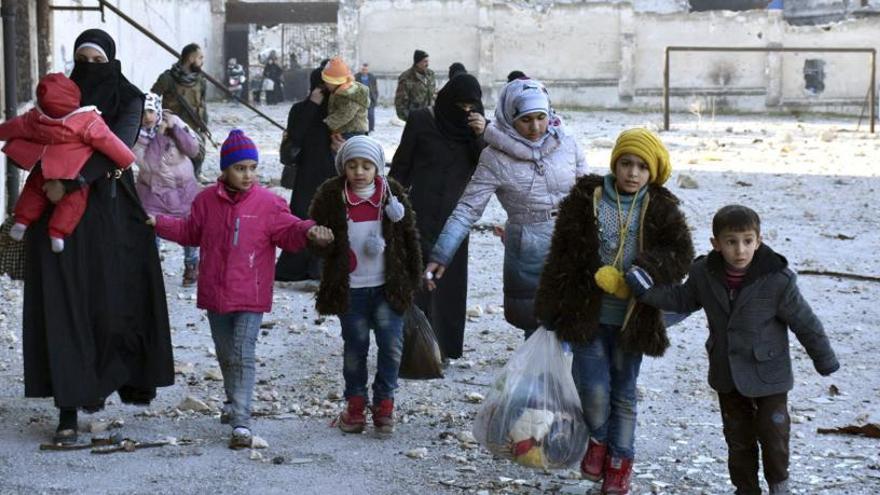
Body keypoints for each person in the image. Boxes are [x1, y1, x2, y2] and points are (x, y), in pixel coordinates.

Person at [21, 28, 173, 445]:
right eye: (82, 60)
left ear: (112, 61)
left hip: (109, 214)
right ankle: (67, 409)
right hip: (56, 217)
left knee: (109, 306)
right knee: (62, 306)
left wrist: (69, 184)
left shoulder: (128, 97)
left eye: (98, 62)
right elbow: (40, 136)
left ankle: (102, 386)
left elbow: (117, 150)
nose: (89, 69)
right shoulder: (60, 93)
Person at [626, 204, 839, 495]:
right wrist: (645, 292)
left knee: (774, 435)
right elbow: (682, 299)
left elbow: (805, 322)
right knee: (738, 439)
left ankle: (780, 486)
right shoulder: (704, 273)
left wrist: (824, 359)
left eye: (748, 241)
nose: (740, 250)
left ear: (758, 240)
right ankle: (746, 489)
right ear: (716, 244)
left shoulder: (777, 279)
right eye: (731, 242)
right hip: (727, 372)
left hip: (770, 375)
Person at [149, 129, 334, 449]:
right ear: (225, 170)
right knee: (225, 353)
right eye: (240, 168)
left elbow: (290, 230)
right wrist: (158, 223)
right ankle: (233, 400)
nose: (247, 175)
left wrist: (310, 232)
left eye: (252, 167)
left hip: (252, 293)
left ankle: (242, 421)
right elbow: (191, 231)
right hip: (215, 294)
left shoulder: (269, 203)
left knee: (241, 352)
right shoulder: (206, 200)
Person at [533, 128, 695, 494]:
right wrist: (549, 308)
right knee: (590, 387)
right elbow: (562, 254)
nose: (632, 173)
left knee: (623, 391)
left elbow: (680, 254)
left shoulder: (661, 206)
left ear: (652, 171)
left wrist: (646, 269)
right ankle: (599, 440)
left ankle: (621, 460)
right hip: (587, 314)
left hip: (632, 319)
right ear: (615, 164)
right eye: (626, 163)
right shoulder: (585, 198)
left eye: (641, 167)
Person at [424, 79, 587, 335]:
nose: (535, 127)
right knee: (537, 331)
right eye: (525, 119)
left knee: (580, 325)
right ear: (510, 117)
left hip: (573, 242)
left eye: (540, 117)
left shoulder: (567, 143)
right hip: (528, 250)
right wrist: (441, 254)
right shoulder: (494, 158)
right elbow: (467, 209)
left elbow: (588, 194)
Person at [309, 136, 422, 435]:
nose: (359, 171)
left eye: (367, 165)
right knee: (355, 347)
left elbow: (410, 237)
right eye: (352, 165)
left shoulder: (391, 196)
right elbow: (317, 238)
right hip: (351, 289)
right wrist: (318, 240)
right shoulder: (332, 197)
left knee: (391, 346)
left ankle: (384, 405)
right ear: (342, 167)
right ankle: (356, 405)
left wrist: (414, 277)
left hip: (388, 287)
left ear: (378, 168)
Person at [390, 74, 486, 361]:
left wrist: (483, 135)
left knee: (450, 285)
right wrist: (388, 201)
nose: (466, 111)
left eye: (472, 106)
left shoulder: (476, 129)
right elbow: (402, 165)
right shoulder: (422, 120)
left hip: (456, 219)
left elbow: (488, 169)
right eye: (460, 105)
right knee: (417, 279)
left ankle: (443, 349)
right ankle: (413, 347)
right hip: (418, 213)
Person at [0, 73, 136, 253]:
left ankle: (22, 221)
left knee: (33, 189)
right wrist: (127, 159)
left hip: (44, 167)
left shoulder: (35, 117)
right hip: (72, 170)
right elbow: (108, 141)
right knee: (74, 201)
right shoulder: (86, 120)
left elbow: (13, 126)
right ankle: (57, 233)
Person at [133, 92, 202, 286]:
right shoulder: (135, 134)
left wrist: (175, 129)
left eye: (150, 111)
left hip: (183, 190)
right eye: (142, 112)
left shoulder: (174, 121)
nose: (147, 117)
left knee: (190, 229)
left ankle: (191, 265)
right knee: (150, 230)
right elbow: (149, 165)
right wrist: (161, 136)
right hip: (153, 192)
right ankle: (152, 271)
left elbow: (193, 150)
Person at [275, 60, 334, 282]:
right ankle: (297, 267)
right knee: (302, 217)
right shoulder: (300, 109)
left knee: (330, 219)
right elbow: (296, 136)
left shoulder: (338, 110)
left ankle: (322, 267)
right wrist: (312, 106)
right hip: (307, 173)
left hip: (332, 172)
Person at [151, 43, 209, 181]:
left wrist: (204, 123)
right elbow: (152, 97)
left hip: (195, 125)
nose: (202, 61)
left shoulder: (200, 80)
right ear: (190, 58)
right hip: (173, 127)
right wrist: (159, 119)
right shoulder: (167, 78)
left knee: (197, 152)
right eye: (200, 57)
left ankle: (196, 174)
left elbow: (202, 103)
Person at [322, 57, 370, 140]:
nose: (325, 84)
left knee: (344, 152)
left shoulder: (350, 94)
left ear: (335, 82)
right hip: (343, 130)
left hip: (353, 133)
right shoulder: (338, 90)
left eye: (327, 82)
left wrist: (326, 124)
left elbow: (344, 114)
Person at [394, 49, 436, 121]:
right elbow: (400, 102)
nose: (427, 64)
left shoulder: (430, 74)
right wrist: (410, 118)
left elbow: (432, 94)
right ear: (417, 62)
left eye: (428, 61)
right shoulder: (406, 77)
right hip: (416, 117)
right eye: (425, 61)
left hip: (430, 116)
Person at [354, 63, 379, 133]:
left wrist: (375, 97)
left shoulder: (372, 77)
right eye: (363, 69)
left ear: (368, 70)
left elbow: (375, 88)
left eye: (366, 70)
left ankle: (371, 128)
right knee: (359, 114)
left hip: (370, 98)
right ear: (361, 70)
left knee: (370, 114)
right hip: (359, 98)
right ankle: (360, 128)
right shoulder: (356, 77)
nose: (364, 71)